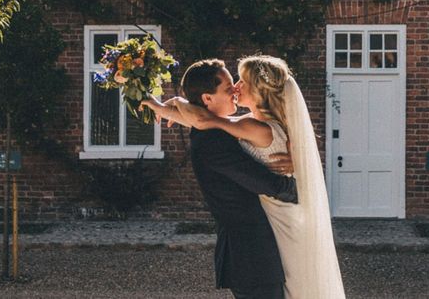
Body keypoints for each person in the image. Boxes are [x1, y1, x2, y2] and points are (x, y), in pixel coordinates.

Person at [145, 55, 346, 299]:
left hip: (277, 224)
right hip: (255, 247)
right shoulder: (231, 130)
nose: (237, 88)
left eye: (241, 82)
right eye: (231, 85)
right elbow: (203, 122)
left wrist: (173, 105)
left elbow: (204, 120)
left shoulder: (245, 128)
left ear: (259, 91)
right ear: (208, 98)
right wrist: (170, 106)